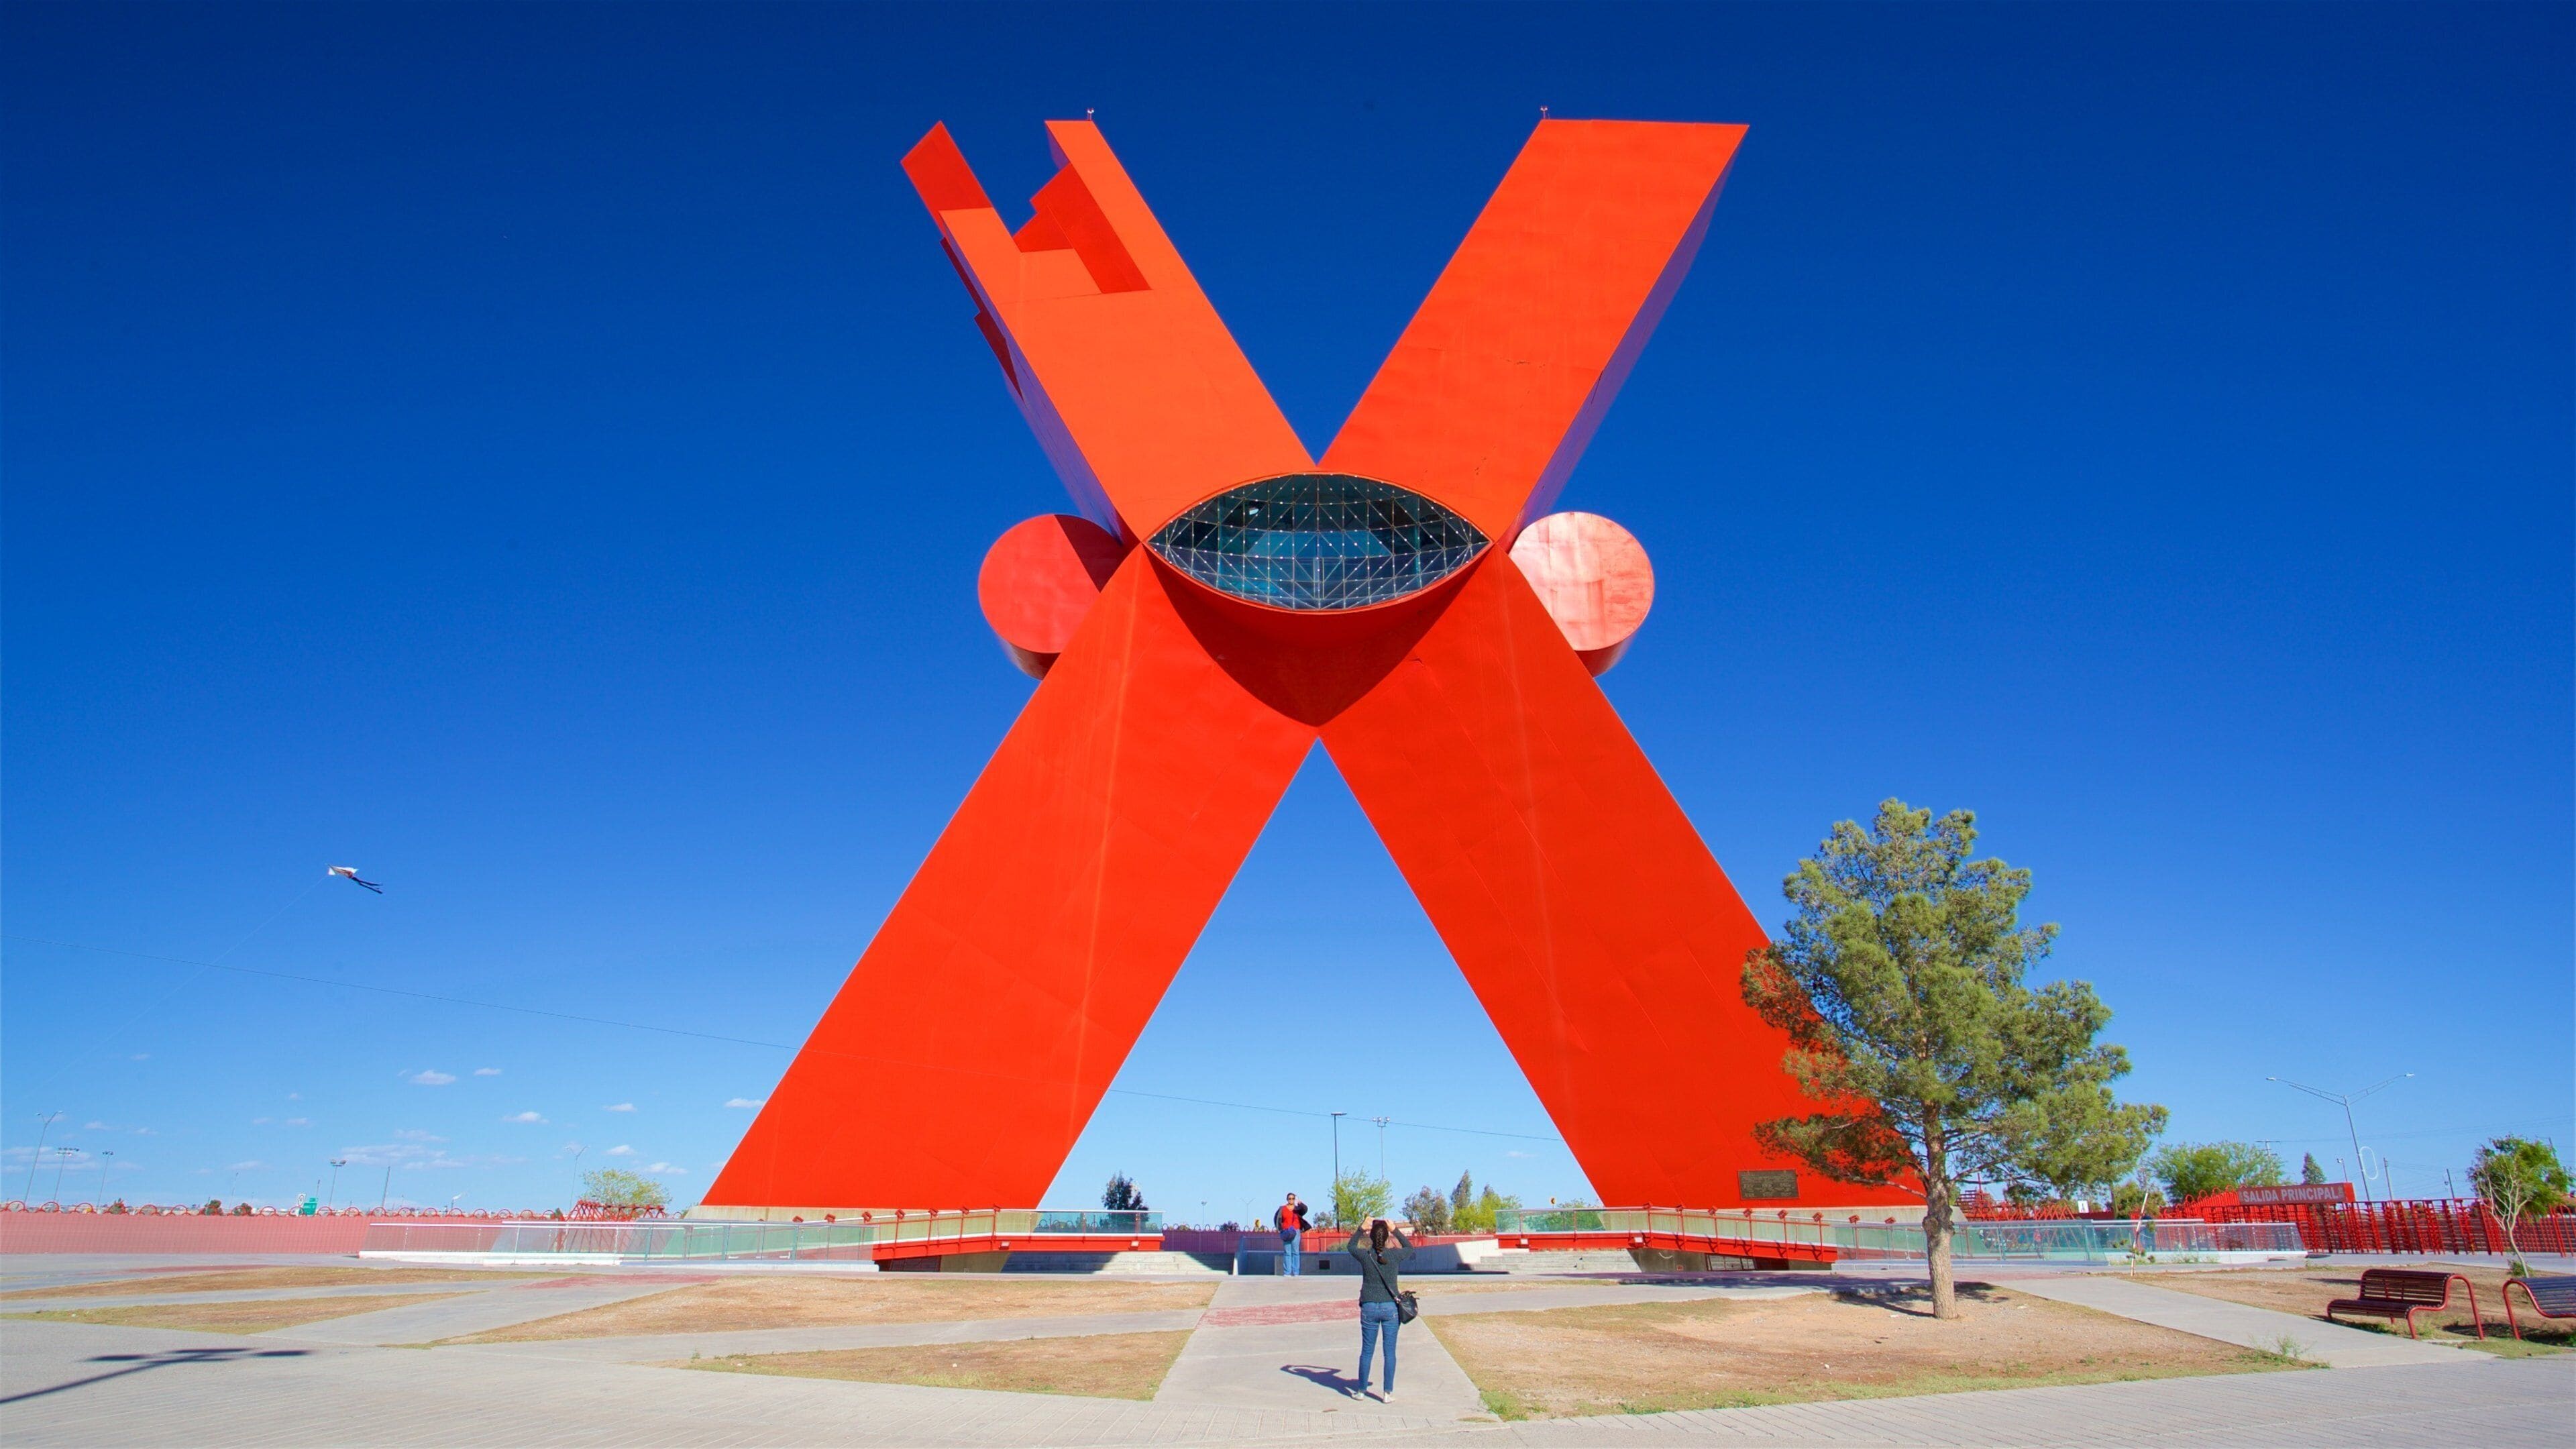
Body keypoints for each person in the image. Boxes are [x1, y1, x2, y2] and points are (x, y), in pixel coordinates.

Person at [1346, 1216, 1411, 1400]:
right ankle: (1387, 1393)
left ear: (1371, 1238)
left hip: (1369, 1307)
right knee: (1389, 1352)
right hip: (1390, 1308)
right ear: (1388, 1237)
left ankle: (1360, 1391)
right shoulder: (1395, 1256)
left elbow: (1350, 1247)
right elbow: (1410, 1248)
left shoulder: (1366, 1256)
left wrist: (1361, 1228)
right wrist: (1395, 1230)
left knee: (1367, 1350)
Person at [1274, 1191, 1311, 1276]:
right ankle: (1287, 1272)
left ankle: (1296, 1272)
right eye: (1290, 1199)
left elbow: (1305, 1209)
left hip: (1296, 1231)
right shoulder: (1282, 1209)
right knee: (1287, 1252)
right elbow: (1277, 1218)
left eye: (1293, 1199)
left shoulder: (1298, 1209)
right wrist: (1280, 1229)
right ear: (1287, 1199)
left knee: (1295, 1252)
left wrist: (1300, 1203)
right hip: (1286, 1232)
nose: (1291, 1200)